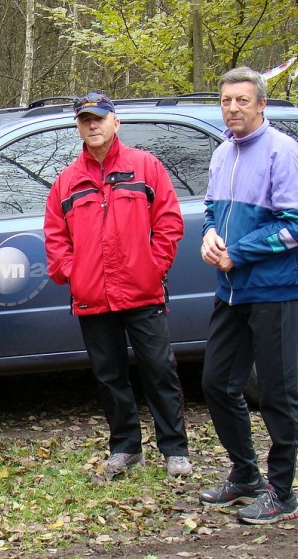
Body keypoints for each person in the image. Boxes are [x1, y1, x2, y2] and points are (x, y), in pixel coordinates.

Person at [44, 92, 191, 481]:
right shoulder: (66, 182)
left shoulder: (145, 166)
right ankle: (125, 448)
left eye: (99, 118)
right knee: (110, 376)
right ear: (78, 127)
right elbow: (56, 238)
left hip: (143, 292)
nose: (92, 125)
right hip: (93, 297)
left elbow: (170, 222)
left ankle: (174, 449)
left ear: (115, 123)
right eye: (85, 120)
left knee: (159, 370)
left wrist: (153, 265)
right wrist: (75, 273)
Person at [199, 67, 298, 524]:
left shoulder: (282, 151)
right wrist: (209, 236)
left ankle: (281, 491)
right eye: (227, 100)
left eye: (242, 100)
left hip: (276, 291)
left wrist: (239, 253)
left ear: (261, 104)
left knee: (276, 392)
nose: (232, 108)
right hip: (231, 291)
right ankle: (245, 474)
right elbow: (212, 209)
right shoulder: (222, 152)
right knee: (216, 383)